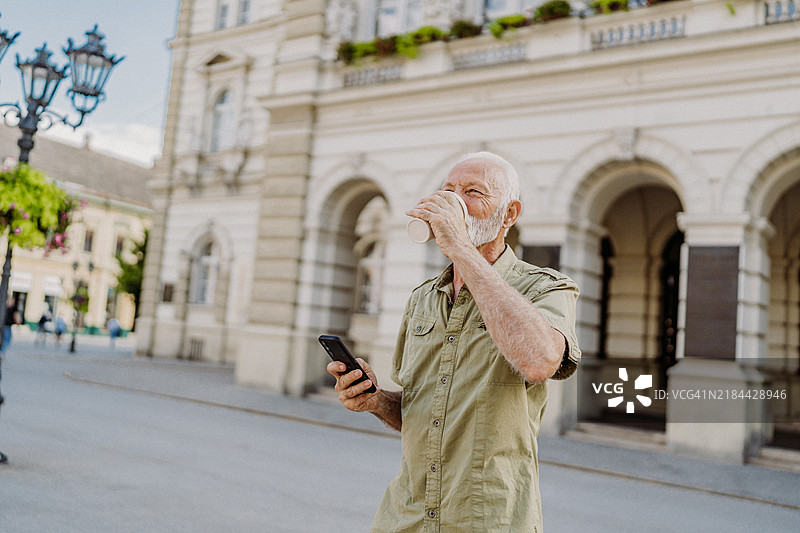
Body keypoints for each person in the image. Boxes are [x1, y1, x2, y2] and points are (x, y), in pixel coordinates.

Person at [327, 152, 581, 532]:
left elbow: (540, 361)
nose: (455, 201)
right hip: (406, 517)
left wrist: (461, 247)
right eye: (448, 190)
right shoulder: (423, 297)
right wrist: (375, 400)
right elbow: (420, 412)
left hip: (487, 520)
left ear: (509, 215)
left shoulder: (546, 287)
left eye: (473, 191)